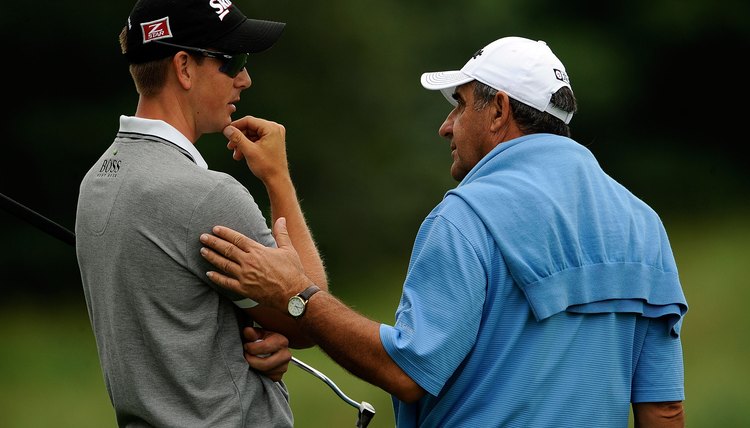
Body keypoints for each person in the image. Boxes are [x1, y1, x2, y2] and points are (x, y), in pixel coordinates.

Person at [198, 36, 688, 427]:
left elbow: (408, 373)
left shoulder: (466, 215)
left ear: (498, 110)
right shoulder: (644, 222)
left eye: (458, 104)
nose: (446, 126)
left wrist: (295, 295)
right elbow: (663, 410)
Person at [75, 0, 327, 426]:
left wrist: (259, 329)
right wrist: (277, 178)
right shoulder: (207, 196)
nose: (245, 79)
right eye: (234, 61)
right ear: (184, 67)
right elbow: (313, 315)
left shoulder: (95, 181)